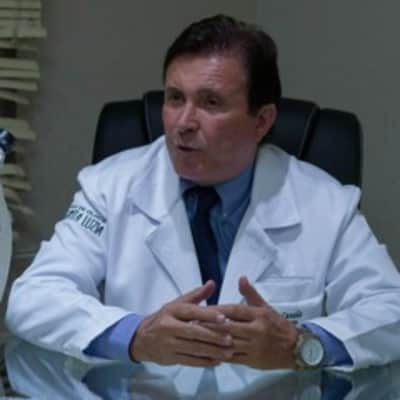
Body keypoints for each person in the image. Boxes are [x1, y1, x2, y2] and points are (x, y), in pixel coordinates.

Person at [6, 15, 400, 371]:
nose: (183, 123)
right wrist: (136, 336)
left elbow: (390, 312)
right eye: (175, 98)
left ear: (262, 121)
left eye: (211, 103)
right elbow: (34, 298)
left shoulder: (325, 203)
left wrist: (300, 344)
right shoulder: (109, 188)